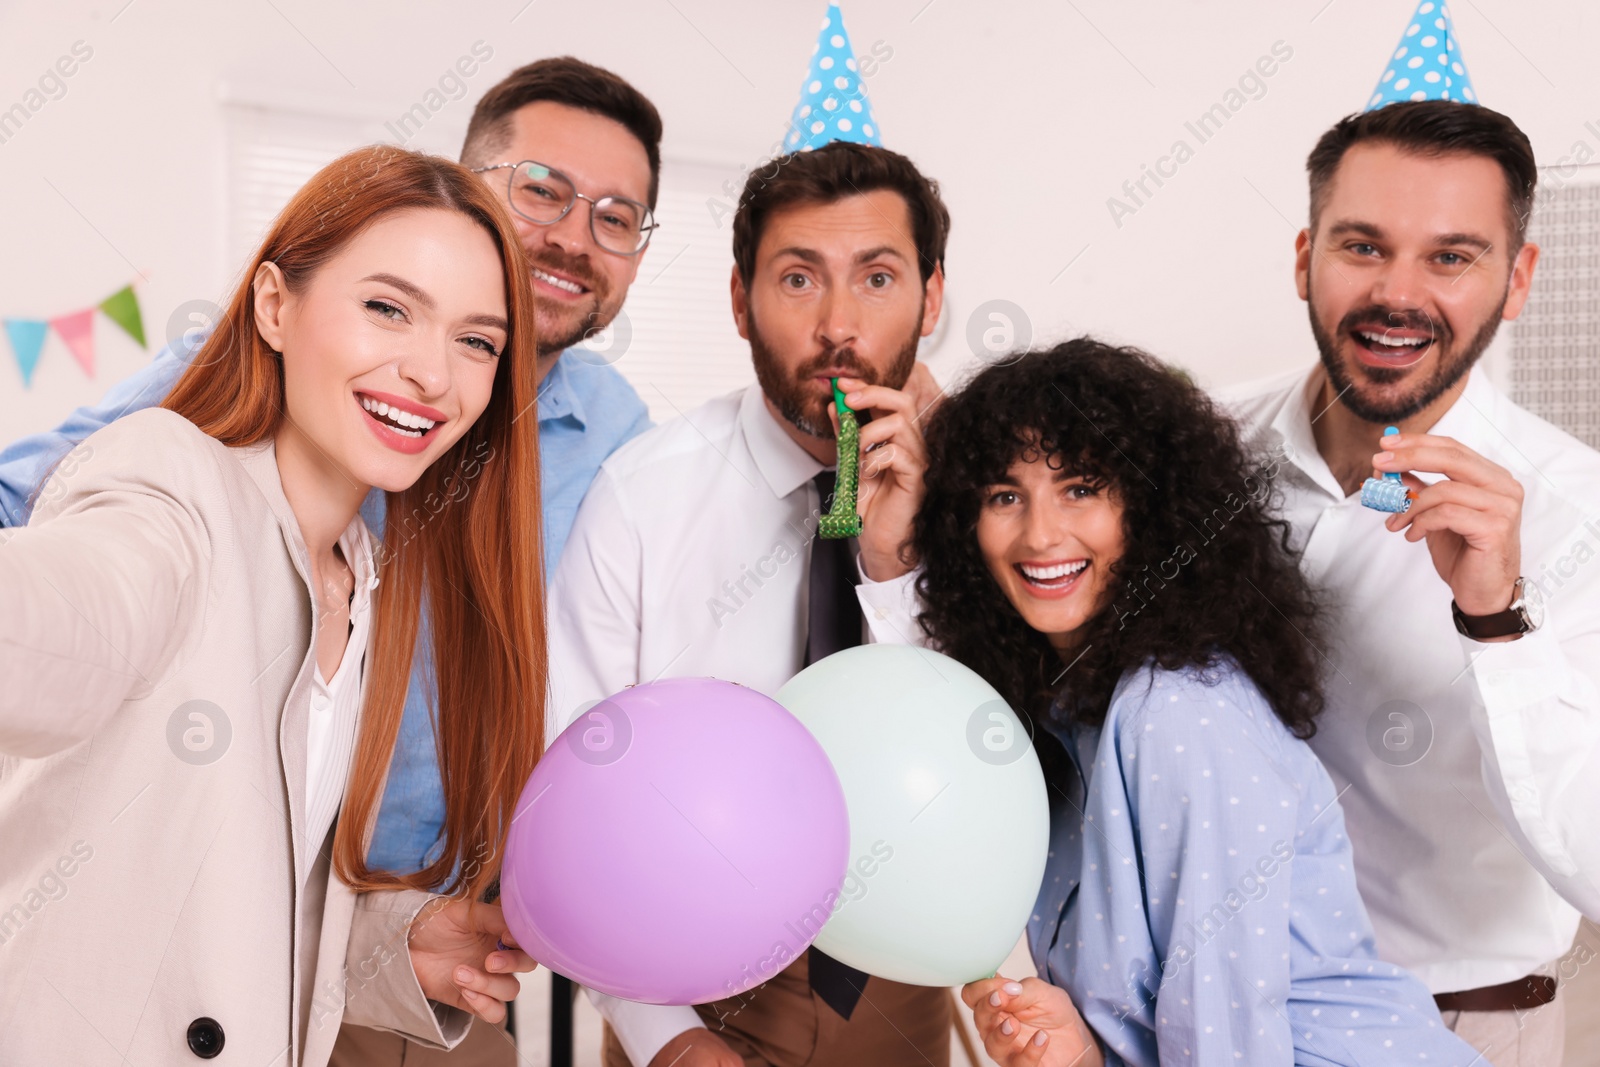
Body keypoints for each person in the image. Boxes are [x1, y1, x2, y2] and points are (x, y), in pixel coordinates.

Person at [0, 55, 660, 1065]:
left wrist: (393, 940)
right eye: (388, 308)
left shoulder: (361, 567)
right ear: (274, 305)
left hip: (389, 937)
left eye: (476, 341)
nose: (429, 371)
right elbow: (74, 600)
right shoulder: (174, 478)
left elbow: (264, 881)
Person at [901, 339, 1480, 1065]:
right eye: (1004, 495)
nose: (1041, 532)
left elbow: (1228, 1044)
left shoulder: (1176, 712)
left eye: (1081, 487)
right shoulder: (1061, 713)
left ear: (1151, 511)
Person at [547, 140, 949, 1067]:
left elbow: (995, 753)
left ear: (932, 296)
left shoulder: (1002, 506)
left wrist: (893, 570)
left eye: (877, 277)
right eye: (798, 278)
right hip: (680, 978)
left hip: (902, 983)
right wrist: (665, 1037)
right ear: (740, 300)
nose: (838, 324)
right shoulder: (642, 496)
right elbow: (571, 774)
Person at [1225, 100, 1600, 1065]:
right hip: (1216, 1009)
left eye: (1451, 256)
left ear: (1517, 280)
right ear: (1304, 256)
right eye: (1363, 245)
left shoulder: (1580, 514)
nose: (1398, 293)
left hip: (1460, 1027)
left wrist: (1497, 620)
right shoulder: (1203, 454)